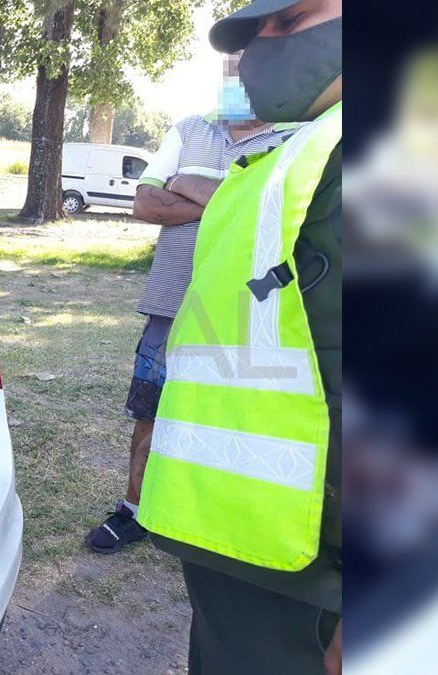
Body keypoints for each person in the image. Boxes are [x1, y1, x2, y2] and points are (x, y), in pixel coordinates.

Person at [135, 0, 342, 673]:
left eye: (289, 21)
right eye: (255, 34)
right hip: (243, 530)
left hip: (297, 542)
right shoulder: (303, 146)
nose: (260, 51)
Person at [84, 54, 296, 554]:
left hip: (248, 303)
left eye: (252, 69)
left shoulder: (293, 138)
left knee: (231, 412)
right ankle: (134, 510)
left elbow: (278, 214)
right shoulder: (189, 130)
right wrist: (230, 198)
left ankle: (210, 517)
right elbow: (143, 204)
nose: (240, 79)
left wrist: (186, 185)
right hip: (171, 301)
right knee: (151, 407)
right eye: (233, 70)